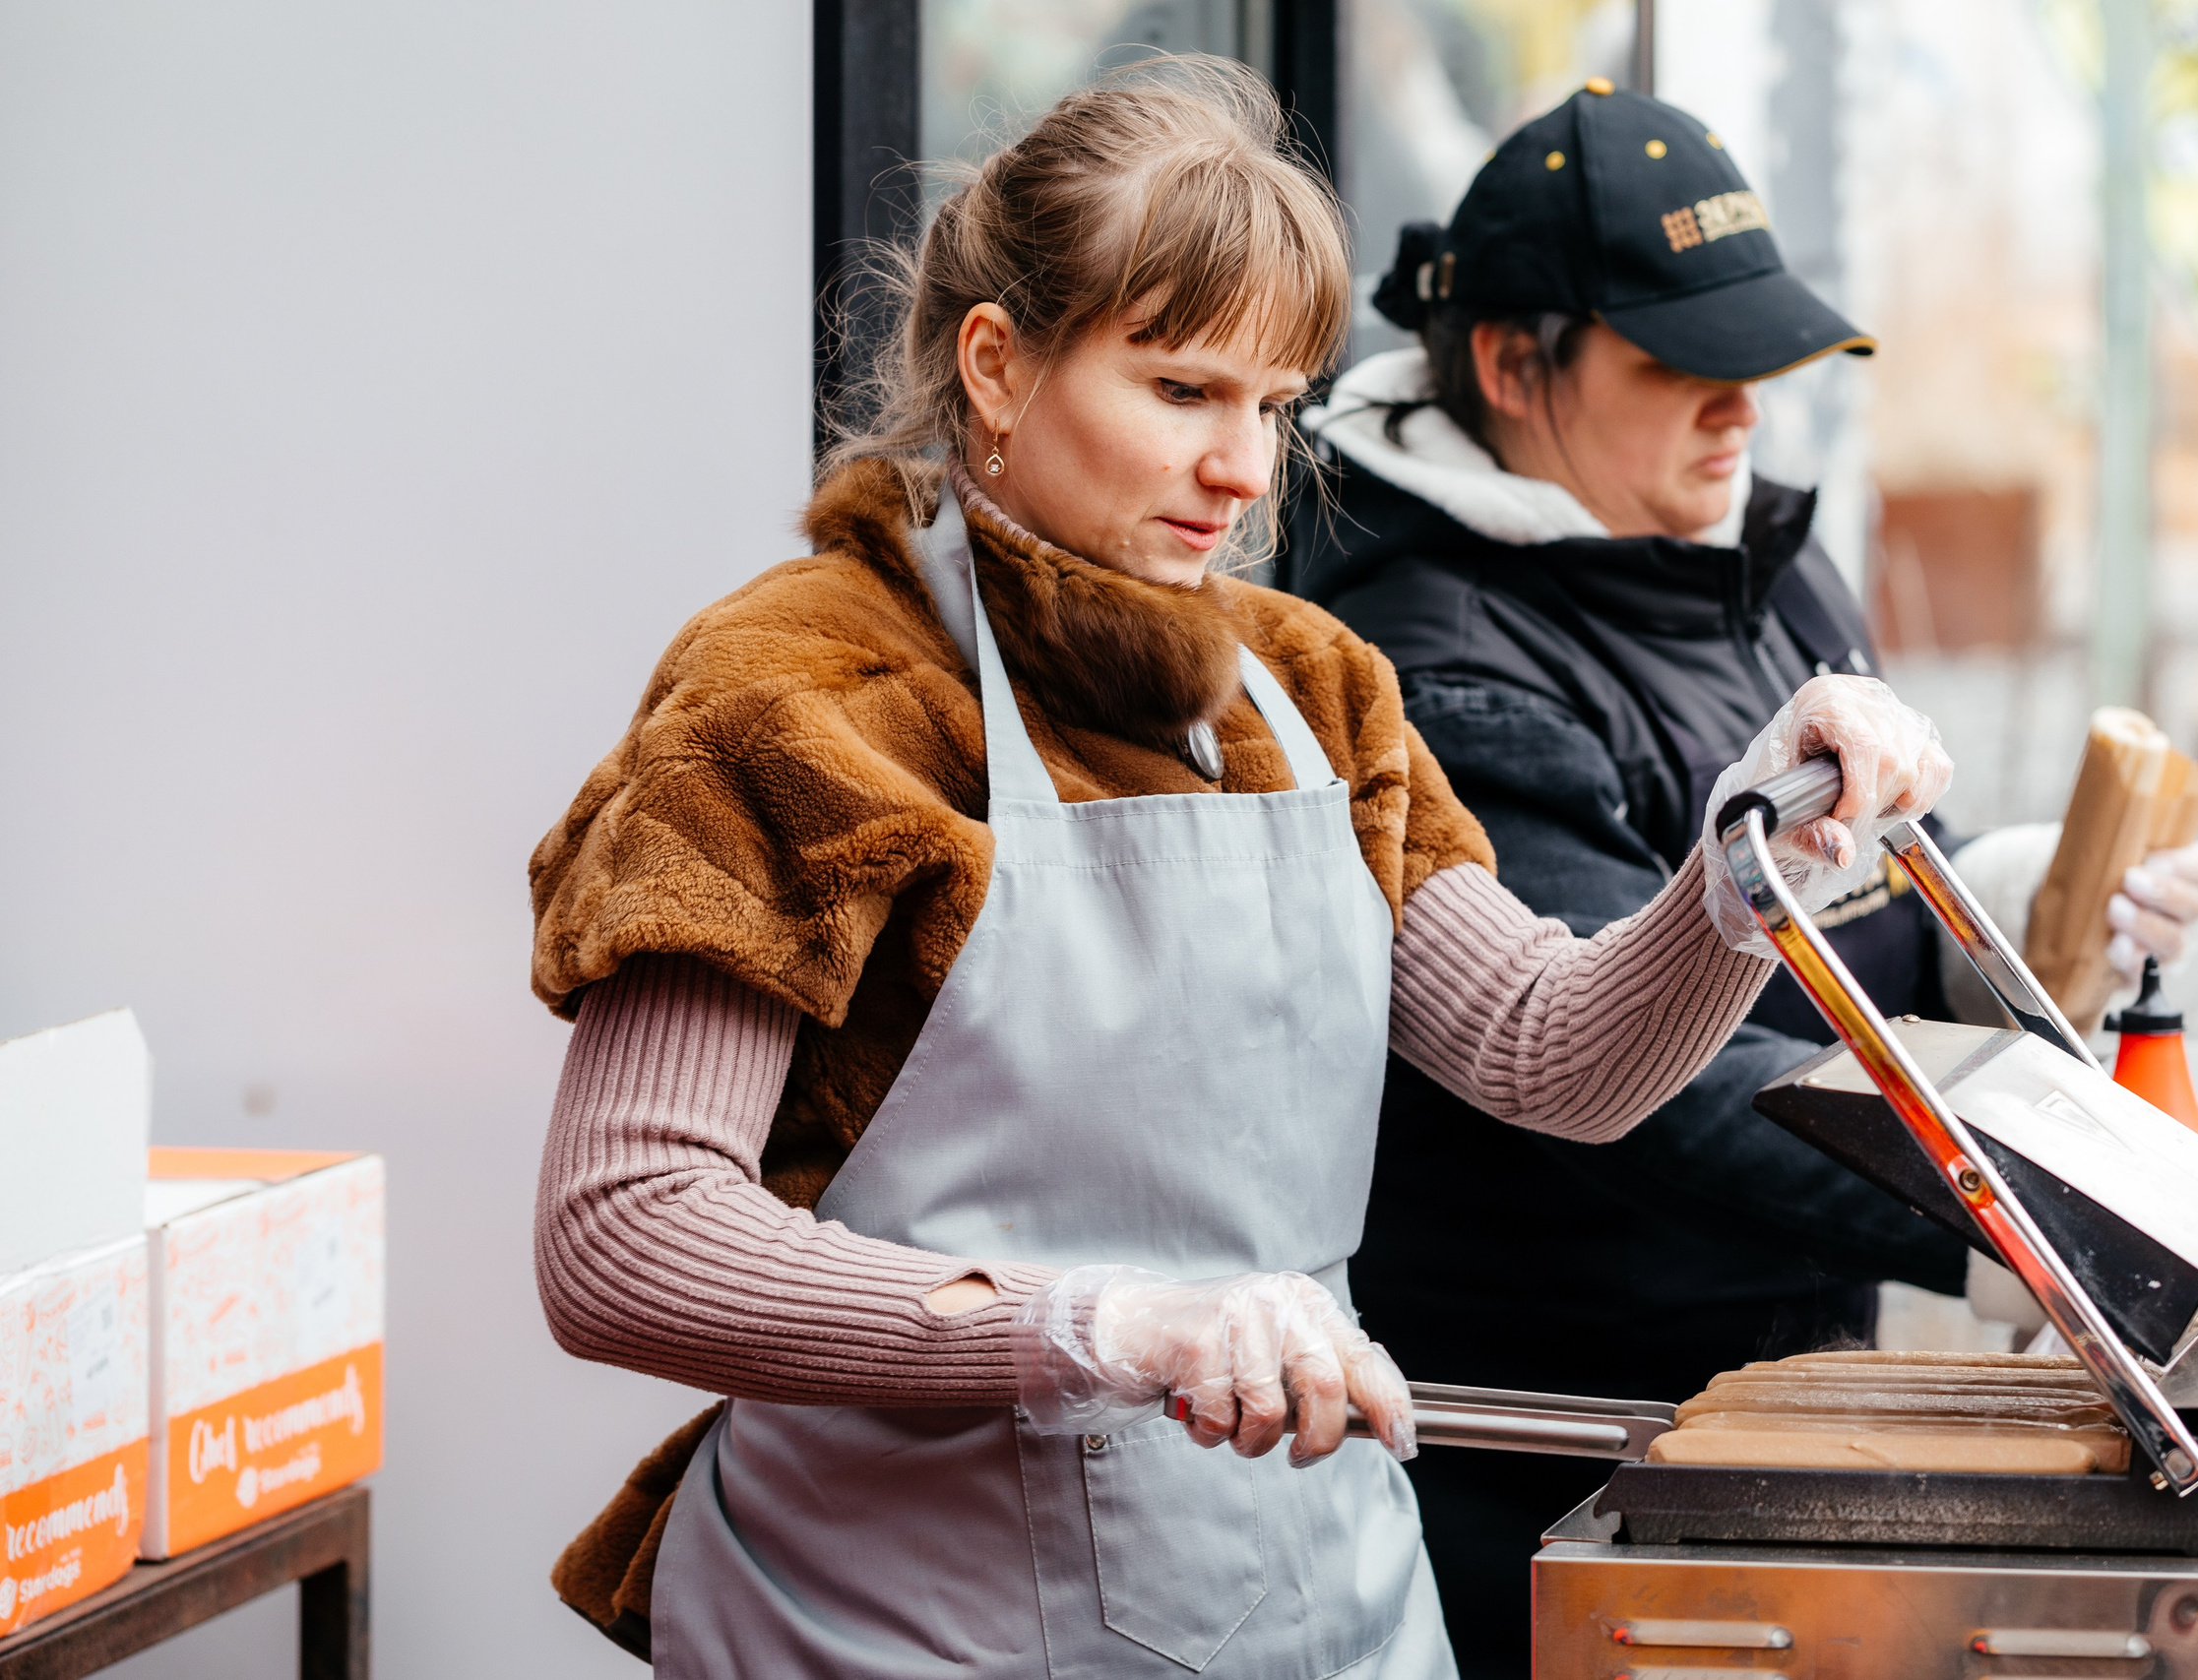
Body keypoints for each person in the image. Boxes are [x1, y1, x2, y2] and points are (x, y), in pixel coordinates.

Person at [526, 59, 1958, 1680]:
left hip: (1317, 1608)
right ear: (997, 365)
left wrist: (1738, 873)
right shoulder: (804, 697)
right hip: (911, 1629)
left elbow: (1549, 1054)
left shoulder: (1308, 685)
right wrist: (1094, 1326)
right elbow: (626, 1233)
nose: (1245, 470)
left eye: (1274, 405)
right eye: (1182, 390)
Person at [1286, 86, 2198, 1680]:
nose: (1742, 411)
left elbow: (1823, 914)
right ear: (1514, 364)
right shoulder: (1439, 663)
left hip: (1777, 1398)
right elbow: (1642, 1067)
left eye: (1760, 363)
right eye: (1682, 365)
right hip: (1560, 1450)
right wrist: (2009, 1226)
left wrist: (2000, 899)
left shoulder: (1750, 554)